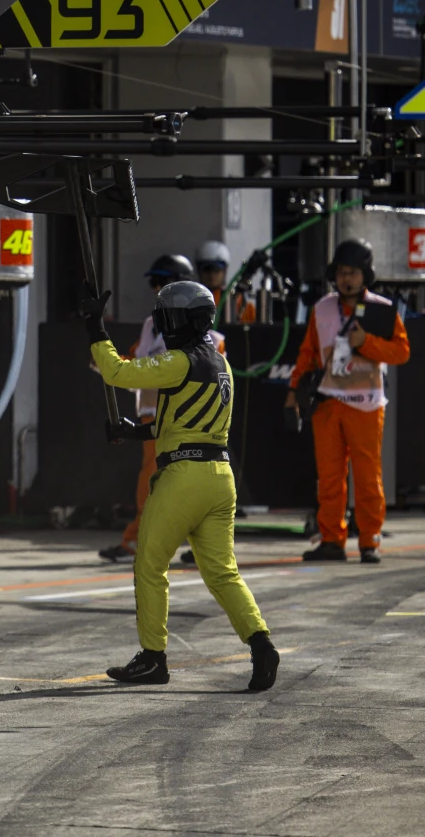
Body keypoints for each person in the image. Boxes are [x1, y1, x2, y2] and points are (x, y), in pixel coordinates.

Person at [83, 279, 280, 690]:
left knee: (150, 563)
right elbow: (187, 423)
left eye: (168, 318)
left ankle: (154, 658)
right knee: (224, 574)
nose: (164, 325)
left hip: (183, 477)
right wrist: (136, 432)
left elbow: (118, 372)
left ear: (185, 321)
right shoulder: (221, 364)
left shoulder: (180, 360)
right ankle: (261, 643)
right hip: (220, 478)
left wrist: (95, 330)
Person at [287, 238, 410, 563]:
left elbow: (401, 352)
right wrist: (292, 393)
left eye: (353, 272)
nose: (346, 279)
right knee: (329, 477)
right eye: (342, 272)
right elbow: (307, 354)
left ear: (365, 274)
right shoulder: (322, 309)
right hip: (327, 403)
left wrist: (366, 342)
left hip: (366, 405)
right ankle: (332, 540)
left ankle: (370, 540)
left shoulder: (383, 310)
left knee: (368, 476)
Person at [99, 253, 222, 565]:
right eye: (155, 283)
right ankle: (140, 542)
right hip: (152, 418)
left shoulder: (208, 336)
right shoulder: (150, 326)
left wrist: (111, 360)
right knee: (153, 482)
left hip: (189, 422)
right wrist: (111, 363)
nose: (157, 289)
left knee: (187, 485)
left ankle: (198, 544)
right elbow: (137, 364)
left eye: (163, 282)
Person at [196, 239, 257, 325]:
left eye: (216, 270)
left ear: (225, 270)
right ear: (199, 271)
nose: (212, 275)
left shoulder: (241, 304)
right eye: (206, 270)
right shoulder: (191, 303)